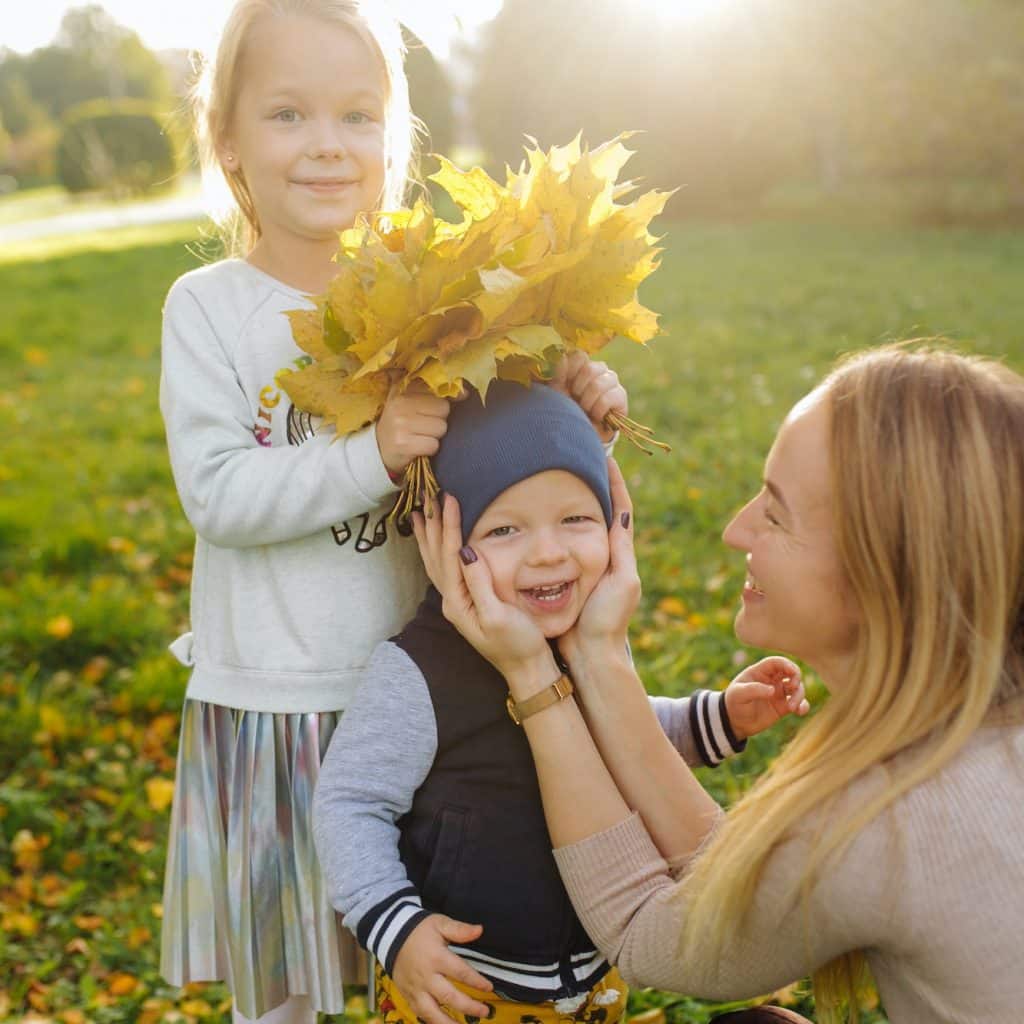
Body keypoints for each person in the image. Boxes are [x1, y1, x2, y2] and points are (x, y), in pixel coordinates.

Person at [156, 3, 627, 1022]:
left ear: (393, 136)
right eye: (287, 115)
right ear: (229, 138)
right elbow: (220, 493)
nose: (327, 143)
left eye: (357, 116)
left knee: (428, 960)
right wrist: (370, 452)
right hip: (277, 701)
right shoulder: (209, 308)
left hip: (432, 694)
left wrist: (575, 401)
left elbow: (507, 463)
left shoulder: (432, 299)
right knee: (286, 985)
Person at [419, 345, 1024, 1024]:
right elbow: (738, 880)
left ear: (886, 571)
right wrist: (596, 653)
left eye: (776, 513)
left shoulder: (898, 811)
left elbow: (657, 934)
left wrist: (532, 671)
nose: (737, 530)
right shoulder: (975, 745)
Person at [312, 380, 808, 1024]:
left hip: (592, 981)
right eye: (506, 529)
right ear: (440, 537)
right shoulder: (420, 669)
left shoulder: (583, 639)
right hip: (467, 989)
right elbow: (351, 802)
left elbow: (616, 740)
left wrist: (711, 718)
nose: (549, 553)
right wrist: (396, 925)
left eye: (575, 519)